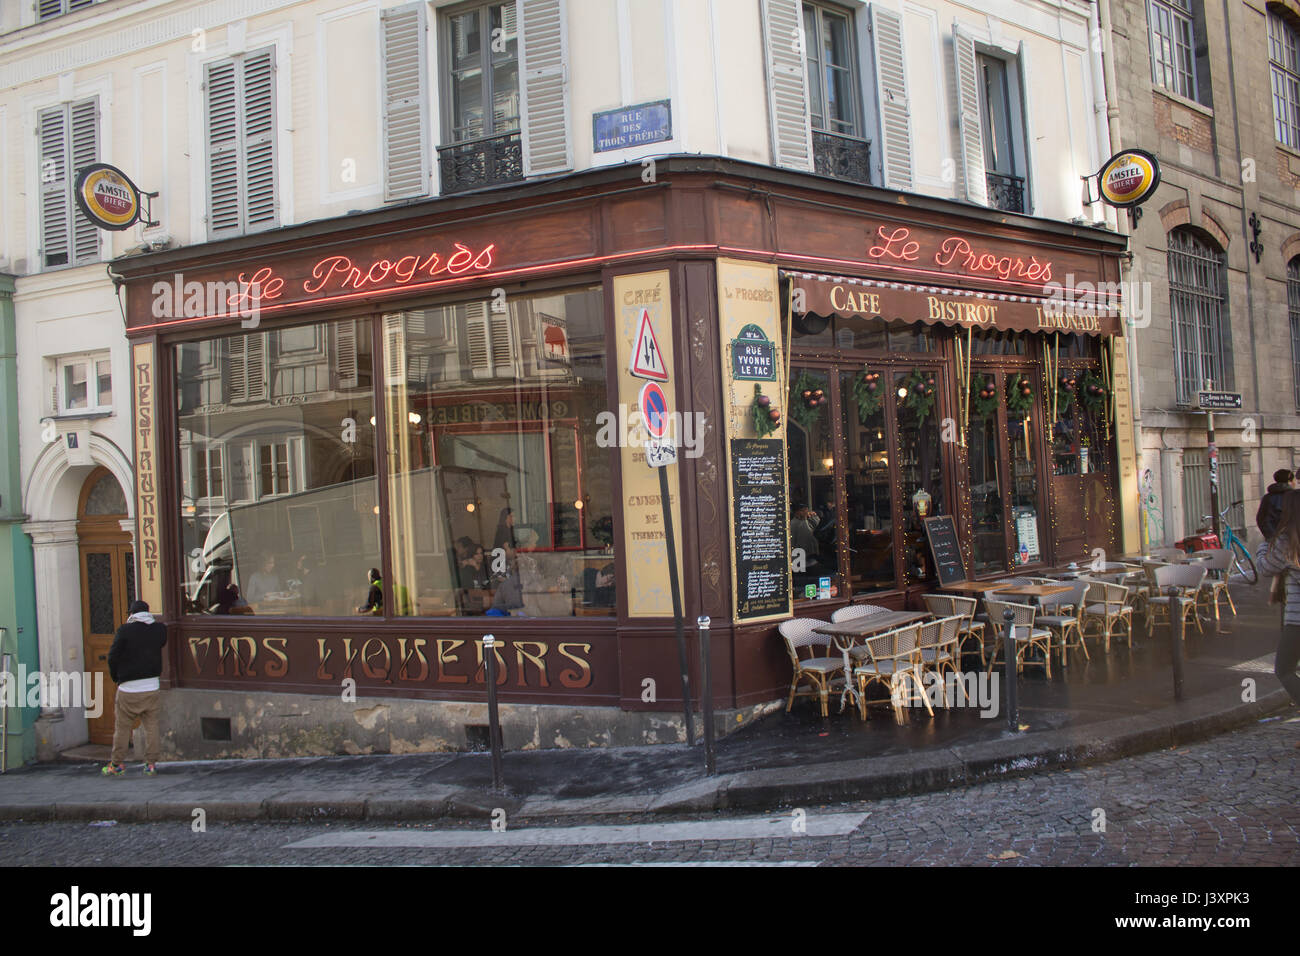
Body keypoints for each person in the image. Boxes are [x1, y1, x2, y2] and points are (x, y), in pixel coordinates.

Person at [101, 601, 168, 777]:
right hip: (152, 685)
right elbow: (160, 643)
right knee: (151, 726)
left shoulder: (124, 631)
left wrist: (116, 677)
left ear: (131, 613)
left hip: (128, 688)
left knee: (123, 727)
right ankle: (151, 764)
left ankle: (116, 764)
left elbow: (112, 656)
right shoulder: (159, 629)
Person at [1255, 489, 1300, 706]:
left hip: (1297, 619)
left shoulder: (1287, 540)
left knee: (1284, 669)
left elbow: (1266, 567)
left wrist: (1263, 546)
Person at [1257, 469, 1295, 540]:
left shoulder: (1267, 497)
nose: (1294, 483)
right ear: (1289, 482)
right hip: (1292, 539)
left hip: (1272, 539)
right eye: (1293, 480)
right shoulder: (1294, 497)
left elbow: (1260, 519)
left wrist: (1269, 537)